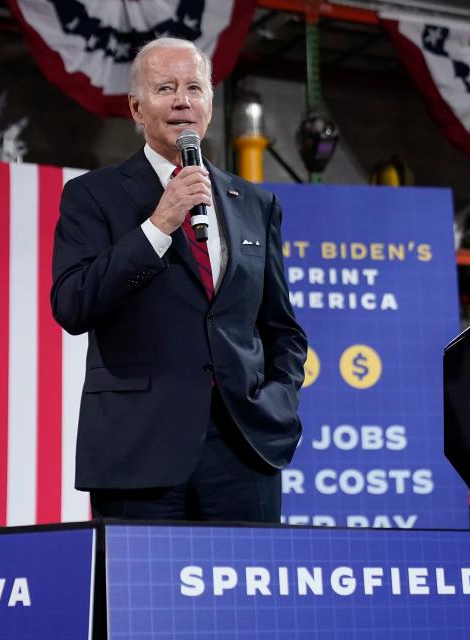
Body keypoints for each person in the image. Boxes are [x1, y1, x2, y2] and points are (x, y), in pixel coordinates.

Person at [50, 37, 307, 522]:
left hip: (243, 450)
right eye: (165, 88)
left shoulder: (255, 204)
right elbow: (72, 303)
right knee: (141, 598)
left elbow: (282, 329)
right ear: (137, 108)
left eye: (195, 87)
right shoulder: (92, 196)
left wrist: (277, 400)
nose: (182, 100)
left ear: (210, 103)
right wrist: (158, 226)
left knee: (248, 597)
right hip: (138, 452)